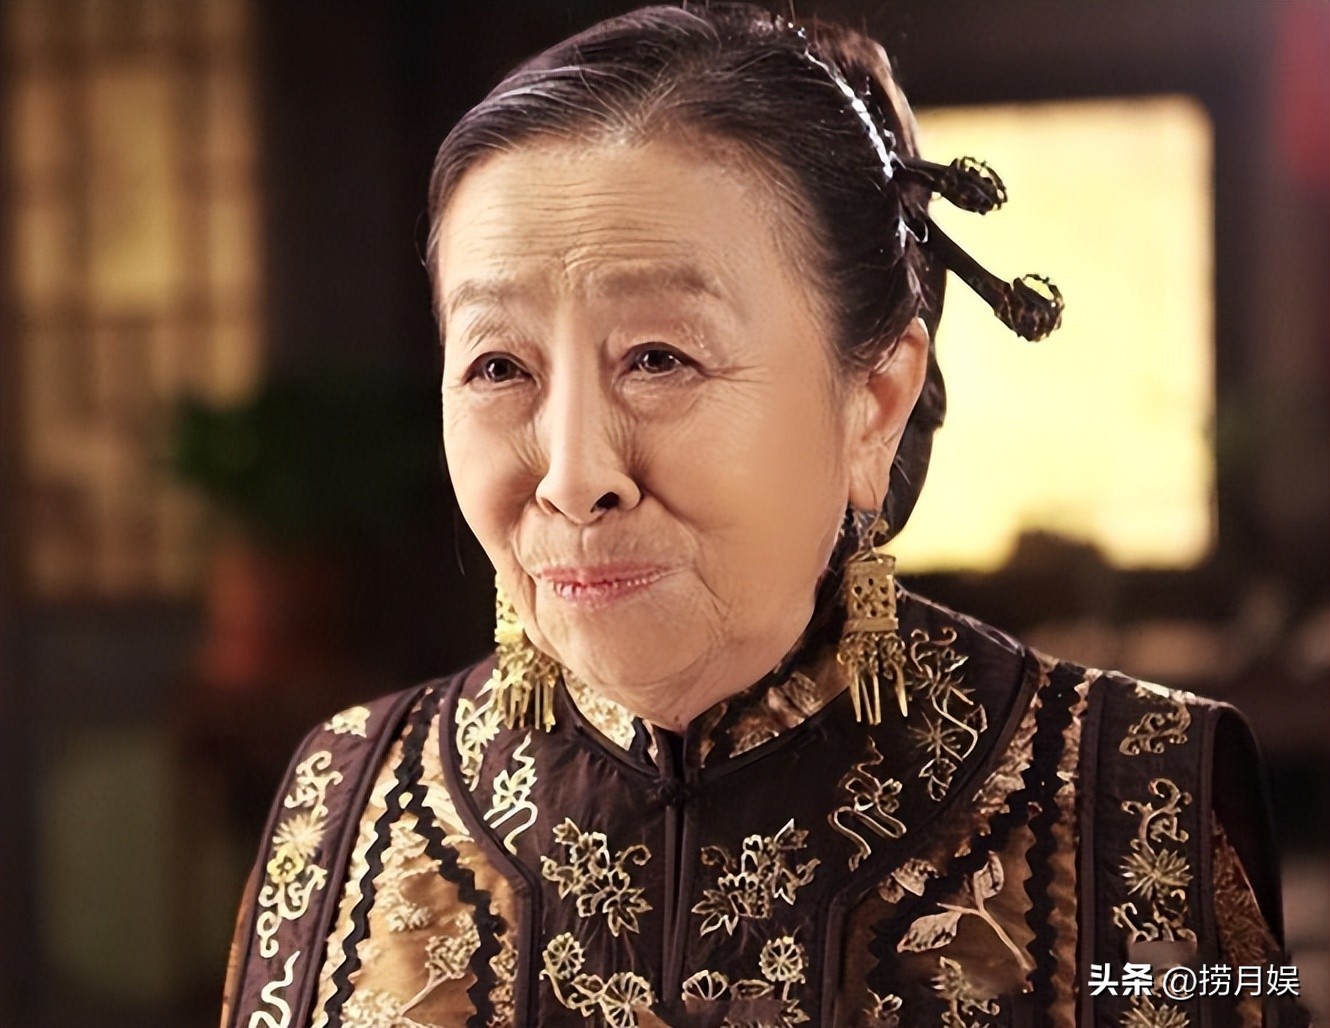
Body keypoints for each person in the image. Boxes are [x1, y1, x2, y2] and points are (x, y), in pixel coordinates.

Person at [221, 5, 1307, 1026]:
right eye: (498, 365)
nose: (574, 475)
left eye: (659, 357)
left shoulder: (1133, 796)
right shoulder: (347, 803)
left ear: (872, 402)